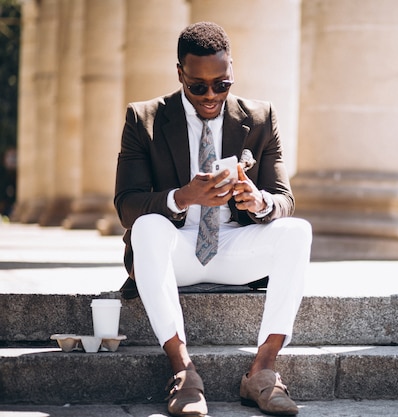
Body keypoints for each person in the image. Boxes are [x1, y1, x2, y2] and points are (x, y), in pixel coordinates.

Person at [114, 21, 312, 417]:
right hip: (175, 251)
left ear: (232, 72)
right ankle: (183, 372)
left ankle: (263, 370)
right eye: (197, 86)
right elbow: (126, 204)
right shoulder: (144, 118)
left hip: (236, 249)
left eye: (221, 84)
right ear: (180, 74)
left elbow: (284, 198)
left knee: (297, 231)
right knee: (147, 226)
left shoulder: (259, 117)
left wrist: (259, 202)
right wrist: (183, 196)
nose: (210, 96)